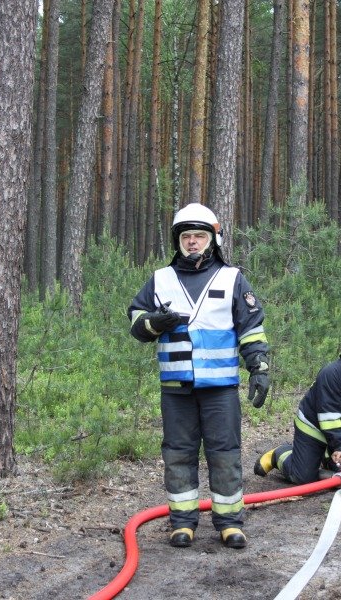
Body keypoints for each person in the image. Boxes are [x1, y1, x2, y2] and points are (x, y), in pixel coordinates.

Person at [128, 202, 270, 550]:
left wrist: (259, 368)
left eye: (199, 236)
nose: (192, 242)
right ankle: (182, 523)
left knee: (225, 453)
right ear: (177, 241)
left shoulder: (232, 279)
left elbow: (251, 328)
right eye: (186, 236)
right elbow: (136, 321)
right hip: (176, 389)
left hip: (221, 389)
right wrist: (153, 323)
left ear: (213, 240)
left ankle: (230, 522)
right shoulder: (160, 279)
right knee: (178, 453)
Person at [254, 322, 341, 484]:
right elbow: (329, 415)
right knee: (303, 477)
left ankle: (327, 457)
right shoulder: (332, 373)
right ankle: (280, 454)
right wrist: (340, 447)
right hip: (313, 427)